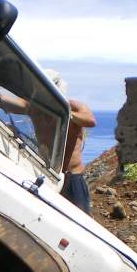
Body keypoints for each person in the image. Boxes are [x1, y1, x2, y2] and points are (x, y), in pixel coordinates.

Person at [44, 70, 96, 215]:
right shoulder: (37, 107)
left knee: (79, 221)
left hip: (72, 177)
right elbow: (11, 103)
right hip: (48, 173)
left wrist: (63, 113)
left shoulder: (72, 107)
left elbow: (90, 120)